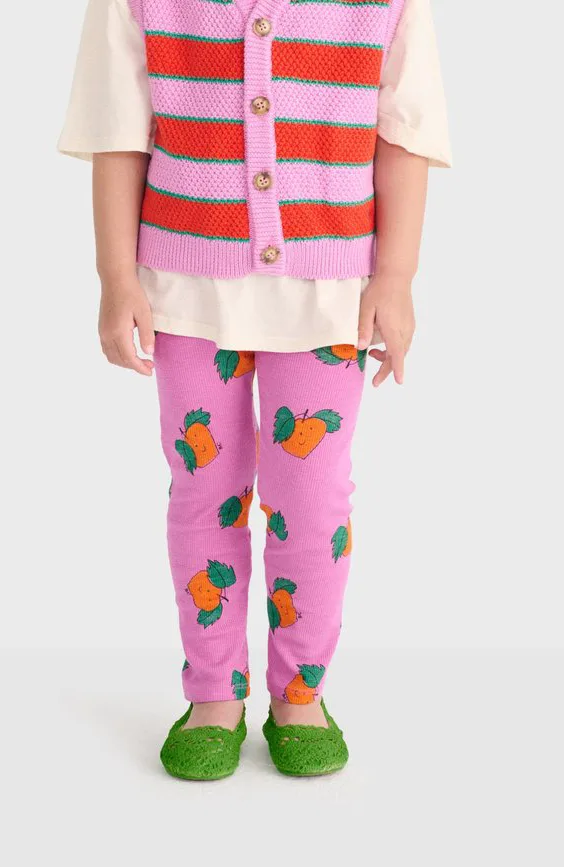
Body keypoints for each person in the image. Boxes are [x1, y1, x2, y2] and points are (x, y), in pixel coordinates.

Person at [59, 0, 451, 780]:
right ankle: (213, 694)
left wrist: (397, 278)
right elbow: (117, 131)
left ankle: (300, 694)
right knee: (204, 491)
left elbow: (403, 132)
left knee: (312, 499)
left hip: (328, 296)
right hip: (185, 291)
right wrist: (114, 277)